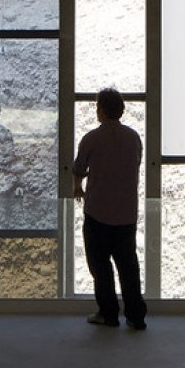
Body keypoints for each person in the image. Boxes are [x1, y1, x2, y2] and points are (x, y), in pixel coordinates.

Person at [71, 88, 146, 329]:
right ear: (121, 110)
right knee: (128, 266)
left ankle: (108, 314)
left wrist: (78, 188)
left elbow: (79, 169)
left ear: (101, 110)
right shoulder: (134, 138)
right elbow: (135, 165)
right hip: (126, 213)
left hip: (98, 212)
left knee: (101, 267)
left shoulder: (91, 138)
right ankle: (136, 316)